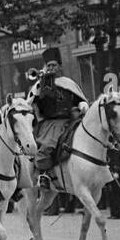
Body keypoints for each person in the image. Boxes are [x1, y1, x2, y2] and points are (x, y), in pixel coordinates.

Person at [32, 46, 87, 189]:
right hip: (52, 123)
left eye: (53, 65)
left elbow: (77, 98)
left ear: (60, 67)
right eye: (48, 65)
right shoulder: (40, 84)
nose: (50, 68)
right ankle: (44, 174)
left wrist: (82, 104)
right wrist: (42, 87)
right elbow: (34, 104)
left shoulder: (68, 83)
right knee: (47, 146)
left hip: (72, 119)